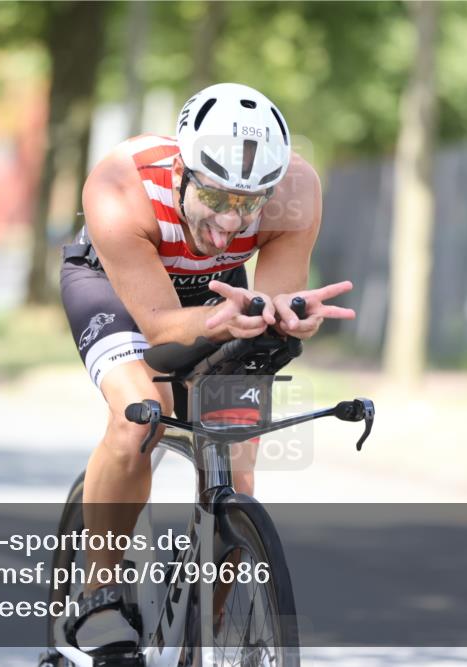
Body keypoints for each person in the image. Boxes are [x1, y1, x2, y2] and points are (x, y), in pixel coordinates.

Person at [59, 83, 355, 660]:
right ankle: (98, 592)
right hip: (118, 290)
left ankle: (209, 632)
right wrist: (220, 320)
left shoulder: (296, 190)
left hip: (217, 294)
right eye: (216, 199)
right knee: (140, 418)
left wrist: (291, 317)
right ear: (182, 173)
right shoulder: (121, 184)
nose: (228, 224)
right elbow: (159, 325)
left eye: (248, 205)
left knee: (236, 472)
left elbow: (269, 305)